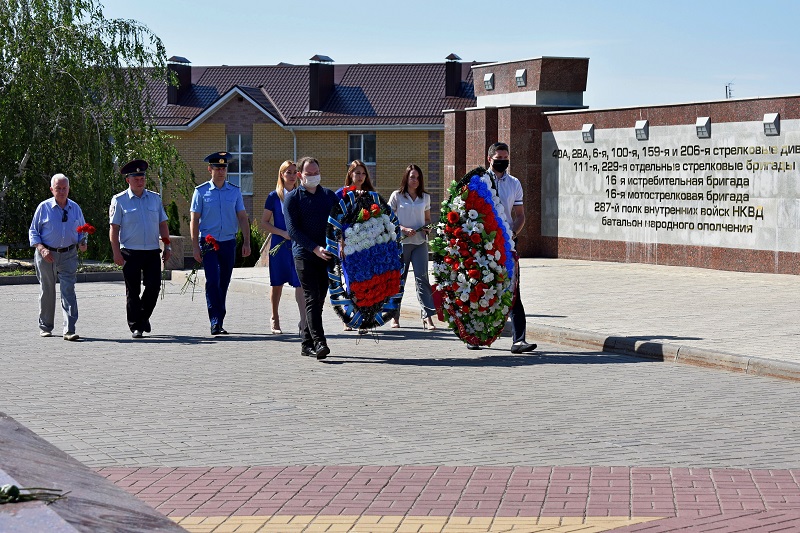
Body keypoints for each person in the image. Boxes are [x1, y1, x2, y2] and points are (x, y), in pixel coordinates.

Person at [468, 142, 537, 353]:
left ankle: (519, 340)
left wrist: (511, 235)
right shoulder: (479, 181)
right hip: (483, 245)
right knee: (482, 289)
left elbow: (520, 215)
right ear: (489, 159)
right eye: (499, 158)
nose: (503, 162)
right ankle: (476, 336)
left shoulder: (514, 183)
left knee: (513, 291)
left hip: (507, 244)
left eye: (505, 158)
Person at [189, 151, 251, 335]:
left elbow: (242, 216)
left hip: (228, 242)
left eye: (224, 168)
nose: (221, 171)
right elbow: (194, 220)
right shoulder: (200, 191)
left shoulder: (234, 191)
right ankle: (214, 320)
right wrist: (194, 246)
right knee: (213, 280)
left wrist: (246, 242)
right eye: (217, 168)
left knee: (224, 281)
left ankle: (219, 319)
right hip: (208, 243)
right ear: (210, 169)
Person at [283, 156, 338, 360]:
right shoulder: (293, 198)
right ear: (300, 175)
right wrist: (314, 248)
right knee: (312, 297)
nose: (313, 177)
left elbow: (341, 222)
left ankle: (306, 343)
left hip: (326, 255)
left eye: (316, 173)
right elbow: (293, 230)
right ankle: (320, 342)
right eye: (309, 174)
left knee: (318, 300)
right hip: (304, 255)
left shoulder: (328, 196)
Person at [109, 159, 171, 338]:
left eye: (142, 176)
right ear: (127, 179)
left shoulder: (154, 198)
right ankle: (136, 326)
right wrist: (116, 252)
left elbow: (163, 224)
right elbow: (114, 229)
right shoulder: (119, 200)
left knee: (154, 286)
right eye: (135, 177)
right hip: (130, 251)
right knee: (133, 291)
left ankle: (142, 318)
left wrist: (167, 246)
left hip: (152, 250)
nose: (140, 180)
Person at [28, 173, 88, 341]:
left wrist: (82, 242)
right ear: (51, 189)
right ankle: (45, 327)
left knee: (68, 290)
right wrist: (41, 248)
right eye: (58, 189)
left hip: (69, 254)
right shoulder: (43, 207)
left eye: (64, 188)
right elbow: (33, 231)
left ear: (68, 189)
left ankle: (69, 329)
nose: (62, 192)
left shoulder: (75, 208)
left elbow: (82, 229)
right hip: (46, 254)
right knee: (47, 290)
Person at [388, 164, 436, 330]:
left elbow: (428, 219)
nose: (415, 180)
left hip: (420, 243)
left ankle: (428, 317)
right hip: (401, 243)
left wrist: (427, 227)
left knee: (422, 279)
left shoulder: (425, 197)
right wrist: (402, 229)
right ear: (406, 178)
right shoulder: (397, 196)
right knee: (399, 280)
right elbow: (388, 220)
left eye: (417, 177)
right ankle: (394, 317)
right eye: (412, 177)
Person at [260, 160, 305, 335]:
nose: (292, 176)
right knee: (277, 283)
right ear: (282, 174)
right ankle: (275, 317)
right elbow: (264, 222)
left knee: (299, 283)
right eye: (289, 172)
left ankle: (303, 321)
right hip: (279, 246)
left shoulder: (302, 195)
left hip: (298, 245)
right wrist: (281, 232)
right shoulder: (274, 196)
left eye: (295, 172)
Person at [336, 160, 375, 331]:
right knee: (351, 281)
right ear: (350, 174)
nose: (360, 176)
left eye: (363, 173)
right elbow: (336, 221)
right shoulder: (341, 194)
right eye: (357, 173)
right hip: (346, 243)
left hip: (366, 244)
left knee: (366, 281)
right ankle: (348, 315)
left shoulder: (370, 194)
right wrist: (341, 242)